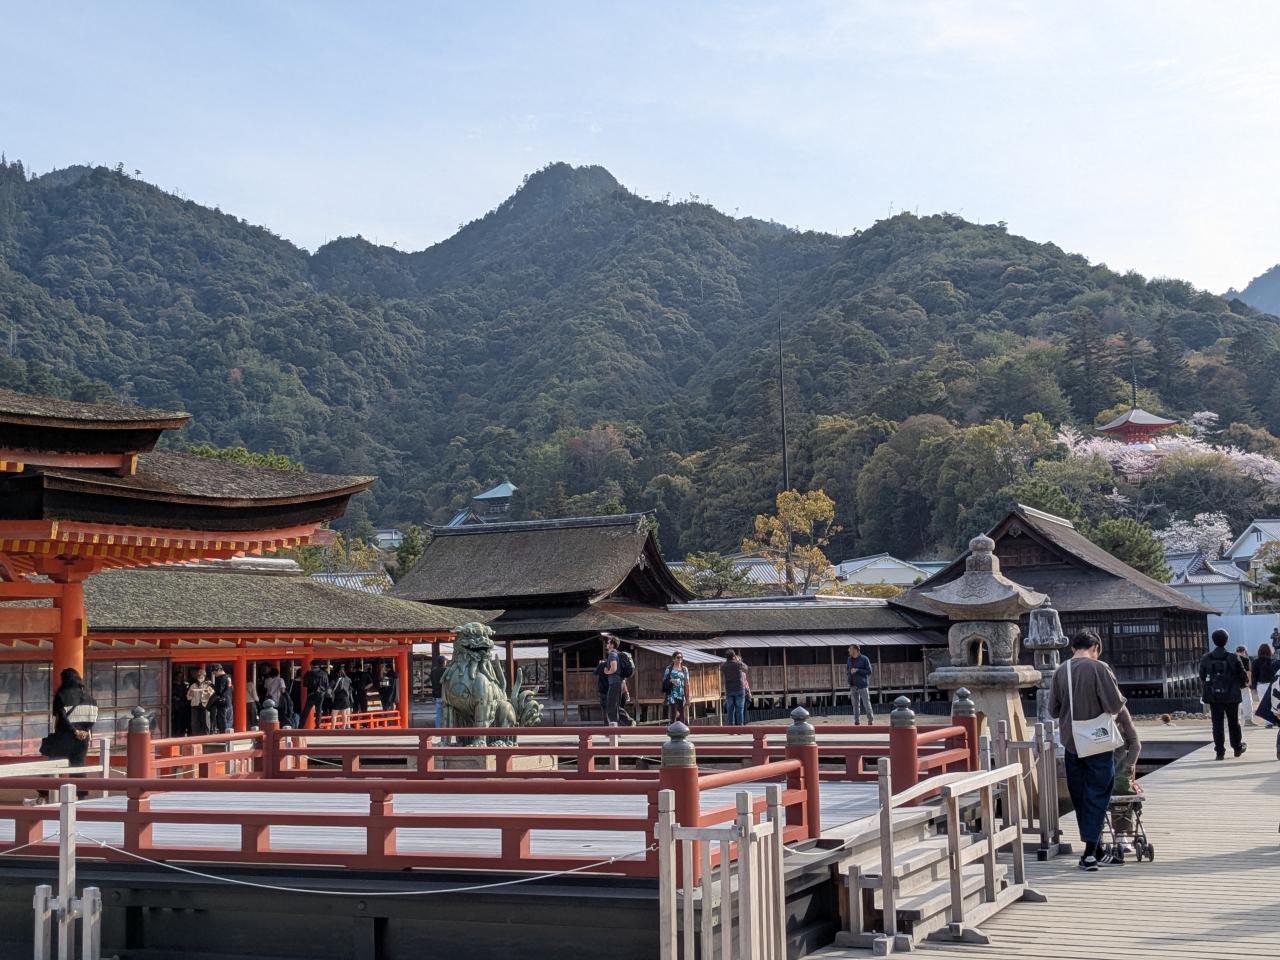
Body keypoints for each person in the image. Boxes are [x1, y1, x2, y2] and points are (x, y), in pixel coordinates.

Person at [1049, 630, 1125, 872]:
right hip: (1097, 741)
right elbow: (1114, 704)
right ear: (1096, 648)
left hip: (1072, 742)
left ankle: (1098, 850)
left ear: (1073, 648)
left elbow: (1053, 710)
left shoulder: (1061, 670)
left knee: (1081, 795)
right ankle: (1090, 853)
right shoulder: (1099, 668)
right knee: (1098, 793)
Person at [1200, 629, 1247, 760]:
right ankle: (1237, 747)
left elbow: (1202, 676)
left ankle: (1220, 752)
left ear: (1213, 640)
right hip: (1232, 695)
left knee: (1217, 724)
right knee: (1234, 722)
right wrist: (1239, 685)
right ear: (1226, 640)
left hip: (1214, 696)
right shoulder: (1233, 657)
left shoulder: (1206, 658)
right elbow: (1243, 675)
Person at [40, 667, 98, 767]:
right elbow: (94, 716)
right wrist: (84, 731)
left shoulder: (61, 695)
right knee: (78, 768)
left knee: (54, 766)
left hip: (64, 737)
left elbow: (61, 717)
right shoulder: (90, 698)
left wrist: (75, 731)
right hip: (82, 739)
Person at [847, 643, 874, 725]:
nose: (849, 650)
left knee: (866, 704)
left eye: (850, 649)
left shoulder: (864, 659)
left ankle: (870, 721)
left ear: (856, 650)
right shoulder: (849, 659)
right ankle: (856, 721)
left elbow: (869, 671)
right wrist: (849, 673)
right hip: (853, 685)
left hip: (862, 685)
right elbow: (848, 669)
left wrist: (858, 670)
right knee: (855, 705)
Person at [602, 634, 625, 726]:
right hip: (618, 682)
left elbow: (614, 668)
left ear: (612, 645)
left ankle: (615, 726)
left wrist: (607, 671)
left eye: (608, 643)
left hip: (615, 682)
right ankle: (623, 723)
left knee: (611, 705)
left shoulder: (612, 654)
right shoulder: (617, 653)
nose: (607, 644)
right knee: (614, 705)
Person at [1253, 643, 1276, 731]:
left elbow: (1254, 675)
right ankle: (1276, 720)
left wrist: (1254, 687)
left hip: (1261, 685)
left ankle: (1268, 722)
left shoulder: (1256, 661)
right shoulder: (1273, 661)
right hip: (1272, 684)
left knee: (1264, 704)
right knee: (1274, 702)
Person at [663, 652, 691, 724]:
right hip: (672, 693)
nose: (680, 659)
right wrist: (672, 680)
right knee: (673, 712)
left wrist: (688, 696)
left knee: (681, 712)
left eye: (681, 658)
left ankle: (684, 726)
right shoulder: (669, 669)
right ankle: (672, 726)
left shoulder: (684, 669)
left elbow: (687, 683)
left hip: (681, 694)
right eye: (678, 657)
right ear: (673, 659)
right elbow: (665, 681)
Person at [721, 649, 747, 725]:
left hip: (729, 689)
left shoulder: (723, 665)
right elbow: (746, 668)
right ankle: (740, 726)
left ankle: (731, 726)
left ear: (726, 657)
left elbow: (721, 669)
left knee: (730, 708)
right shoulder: (738, 664)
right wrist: (738, 660)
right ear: (734, 656)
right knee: (739, 708)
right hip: (739, 688)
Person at [300, 662, 330, 729]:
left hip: (311, 694)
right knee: (319, 710)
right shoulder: (324, 674)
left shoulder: (308, 673)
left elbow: (305, 684)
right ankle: (318, 725)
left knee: (306, 711)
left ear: (311, 665)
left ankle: (301, 726)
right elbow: (327, 685)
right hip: (321, 694)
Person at [186, 669, 213, 735]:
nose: (200, 676)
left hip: (204, 706)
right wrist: (191, 694)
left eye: (201, 675)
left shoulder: (207, 685)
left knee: (205, 721)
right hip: (195, 706)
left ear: (204, 676)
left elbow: (210, 696)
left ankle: (206, 735)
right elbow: (188, 697)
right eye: (198, 675)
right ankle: (195, 735)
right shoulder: (193, 685)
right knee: (194, 722)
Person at [209, 663, 233, 733]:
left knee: (222, 720)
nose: (214, 674)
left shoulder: (221, 678)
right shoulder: (228, 677)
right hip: (229, 701)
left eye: (214, 672)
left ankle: (224, 735)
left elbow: (219, 691)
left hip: (222, 702)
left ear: (219, 670)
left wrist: (211, 685)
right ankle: (228, 735)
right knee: (229, 720)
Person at [1236, 645, 1256, 726]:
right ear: (1244, 651)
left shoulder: (1231, 659)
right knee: (1247, 701)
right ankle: (1248, 720)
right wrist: (1249, 681)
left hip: (1234, 684)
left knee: (1236, 703)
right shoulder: (1245, 659)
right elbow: (1248, 672)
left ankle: (1237, 720)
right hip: (1244, 683)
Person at [430, 655, 448, 728]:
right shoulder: (446, 671)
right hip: (446, 696)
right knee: (447, 715)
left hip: (437, 695)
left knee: (438, 715)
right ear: (444, 662)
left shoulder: (433, 671)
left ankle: (438, 729)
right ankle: (447, 729)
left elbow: (432, 682)